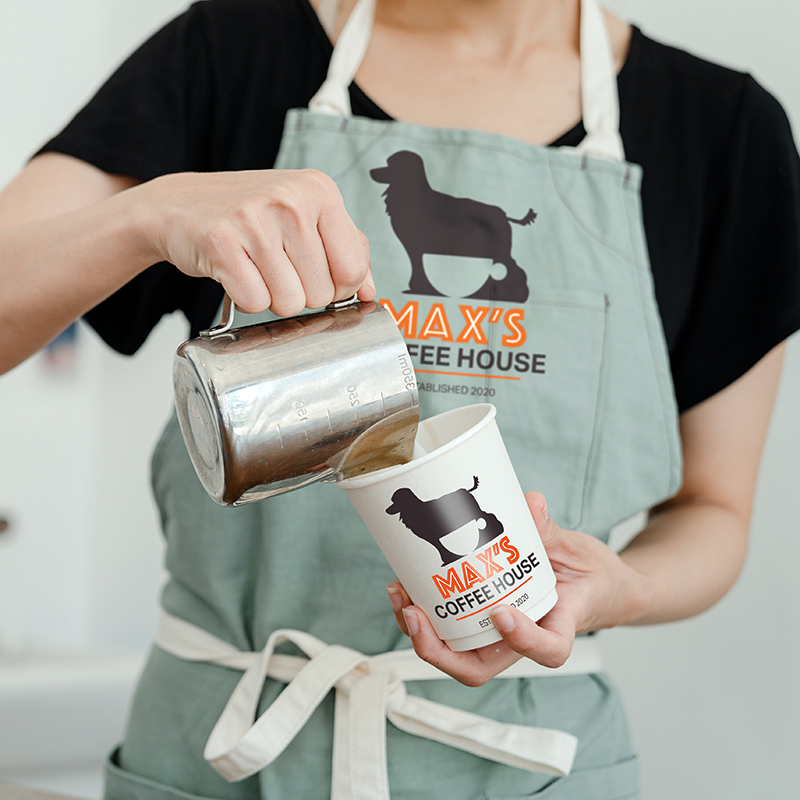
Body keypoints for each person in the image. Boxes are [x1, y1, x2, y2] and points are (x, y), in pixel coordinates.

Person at [1, 0, 799, 797]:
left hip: (530, 762)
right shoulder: (229, 50)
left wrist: (623, 588)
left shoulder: (723, 132)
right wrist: (150, 212)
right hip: (226, 748)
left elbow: (714, 509)